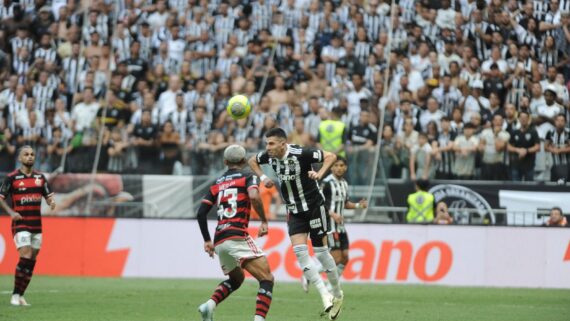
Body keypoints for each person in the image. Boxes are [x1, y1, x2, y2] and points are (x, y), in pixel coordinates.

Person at [249, 128, 344, 320]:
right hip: (294, 211)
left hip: (314, 207)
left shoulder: (302, 153)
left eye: (271, 144)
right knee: (300, 253)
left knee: (321, 253)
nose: (268, 148)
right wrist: (263, 177)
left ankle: (337, 293)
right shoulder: (268, 156)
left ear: (283, 144)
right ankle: (325, 295)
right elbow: (252, 161)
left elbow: (331, 156)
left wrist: (320, 174)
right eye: (267, 143)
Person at [197, 145, 274, 321]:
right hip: (237, 235)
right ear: (243, 160)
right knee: (267, 278)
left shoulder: (217, 183)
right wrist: (263, 220)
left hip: (219, 239)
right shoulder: (248, 176)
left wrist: (207, 240)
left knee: (237, 279)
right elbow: (254, 196)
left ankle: (209, 306)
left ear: (225, 162)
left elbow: (201, 212)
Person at [0, 146, 56, 306]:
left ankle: (21, 295)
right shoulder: (12, 178)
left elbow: (49, 196)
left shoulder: (41, 177)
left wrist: (51, 202)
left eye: (32, 154)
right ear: (19, 158)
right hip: (20, 223)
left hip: (37, 225)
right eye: (26, 154)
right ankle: (15, 295)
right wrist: (11, 213)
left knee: (32, 259)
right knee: (25, 255)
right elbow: (1, 198)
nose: (30, 157)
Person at [321, 157, 367, 279]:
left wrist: (358, 205)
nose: (339, 168)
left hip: (340, 227)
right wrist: (332, 214)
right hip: (330, 226)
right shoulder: (326, 183)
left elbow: (345, 203)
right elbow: (317, 203)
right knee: (335, 258)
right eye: (336, 165)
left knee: (345, 257)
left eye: (341, 165)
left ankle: (332, 286)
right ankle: (310, 273)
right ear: (331, 167)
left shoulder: (344, 183)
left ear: (345, 168)